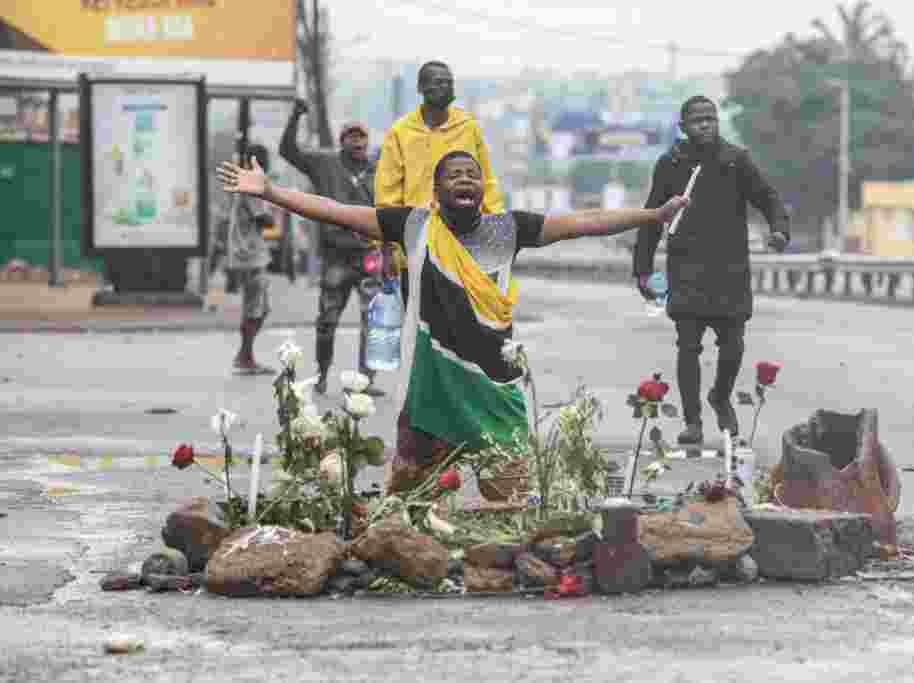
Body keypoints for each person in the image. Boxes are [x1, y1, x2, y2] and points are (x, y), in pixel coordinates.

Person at [218, 150, 688, 493]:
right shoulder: (413, 224)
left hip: (496, 383)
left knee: (509, 494)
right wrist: (272, 192)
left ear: (482, 189)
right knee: (409, 496)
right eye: (453, 174)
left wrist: (653, 215)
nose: (465, 179)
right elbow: (337, 211)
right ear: (437, 190)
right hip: (431, 383)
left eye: (473, 174)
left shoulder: (510, 229)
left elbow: (587, 219)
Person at [632, 95, 790, 446]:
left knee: (733, 345)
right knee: (688, 346)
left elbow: (768, 197)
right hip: (686, 266)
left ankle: (720, 396)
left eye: (710, 119)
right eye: (697, 120)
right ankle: (692, 422)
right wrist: (642, 270)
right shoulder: (671, 164)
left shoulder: (736, 161)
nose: (705, 124)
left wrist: (779, 230)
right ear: (683, 127)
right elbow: (652, 218)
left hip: (730, 268)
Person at [375, 60, 504, 304]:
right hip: (414, 244)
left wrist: (497, 229)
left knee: (463, 322)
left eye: (449, 82)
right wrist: (387, 247)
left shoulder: (468, 127)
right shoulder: (400, 132)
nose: (446, 86)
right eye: (438, 82)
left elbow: (486, 181)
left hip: (464, 243)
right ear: (421, 88)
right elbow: (388, 193)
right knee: (417, 324)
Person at [279, 100, 383, 396]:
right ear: (341, 142)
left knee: (373, 321)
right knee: (327, 321)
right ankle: (322, 373)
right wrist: (295, 116)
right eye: (351, 136)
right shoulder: (325, 164)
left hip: (369, 256)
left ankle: (366, 380)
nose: (357, 141)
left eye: (361, 136)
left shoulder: (380, 169)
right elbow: (289, 151)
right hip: (336, 256)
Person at [218, 143, 277, 374]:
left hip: (248, 253)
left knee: (260, 308)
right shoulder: (252, 185)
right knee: (255, 308)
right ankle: (245, 357)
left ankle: (245, 355)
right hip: (249, 255)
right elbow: (264, 218)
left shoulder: (245, 184)